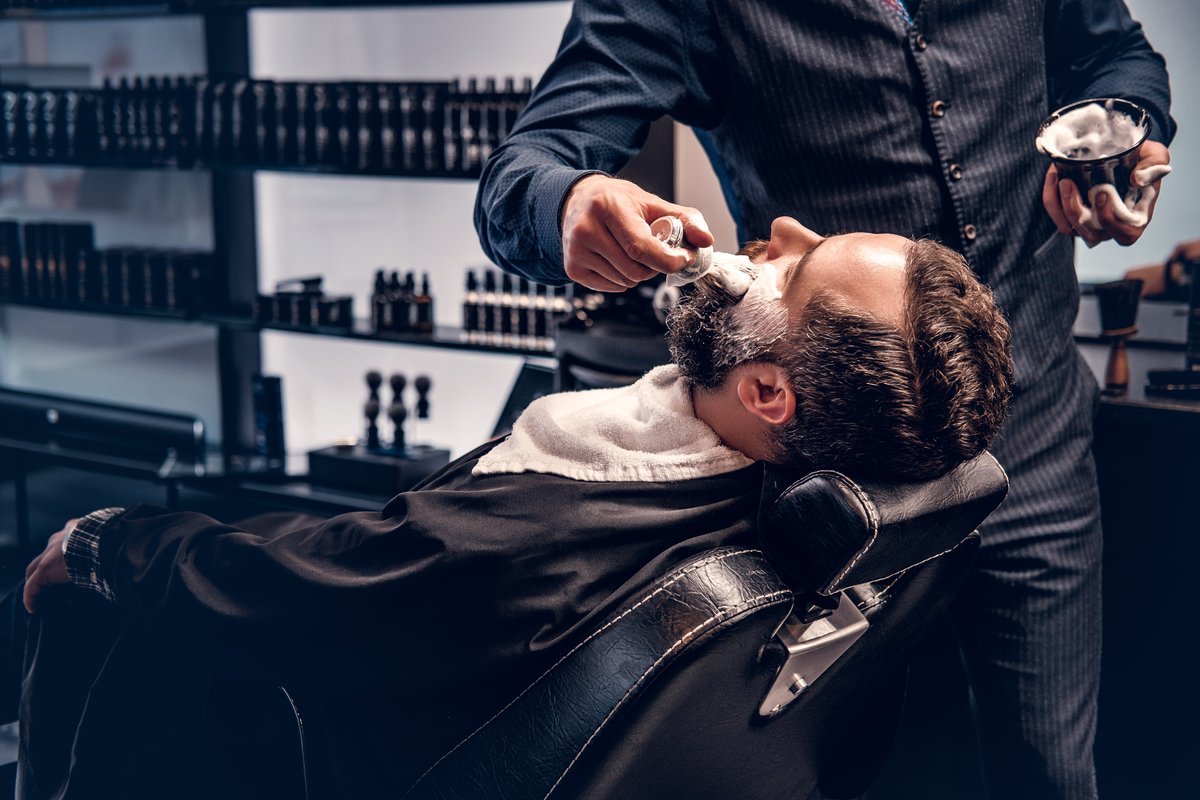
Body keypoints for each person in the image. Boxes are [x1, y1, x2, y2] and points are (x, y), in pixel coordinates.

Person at [9, 222, 1012, 798]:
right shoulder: (846, 503)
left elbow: (307, 589)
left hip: (372, 738)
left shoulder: (552, 532)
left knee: (138, 618)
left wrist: (108, 543)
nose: (770, 241)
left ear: (766, 396)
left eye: (791, 271)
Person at [474, 2, 1175, 796]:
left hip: (1039, 436)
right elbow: (521, 171)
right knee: (845, 776)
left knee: (1049, 772)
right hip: (838, 495)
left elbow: (1120, 61)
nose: (783, 232)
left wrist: (1128, 140)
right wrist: (566, 200)